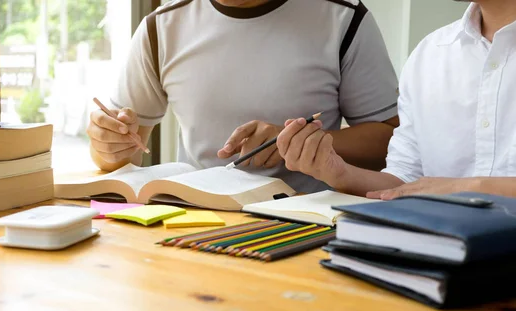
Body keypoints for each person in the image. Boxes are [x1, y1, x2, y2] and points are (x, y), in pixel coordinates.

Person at [86, 0, 399, 193]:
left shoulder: (344, 19)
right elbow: (124, 152)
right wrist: (107, 147)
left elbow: (392, 142)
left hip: (304, 223)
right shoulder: (161, 26)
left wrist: (301, 144)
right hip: (194, 220)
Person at [277, 0, 516, 199]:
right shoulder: (431, 53)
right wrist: (338, 174)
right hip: (440, 248)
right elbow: (402, 181)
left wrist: (468, 188)